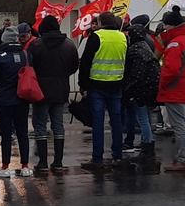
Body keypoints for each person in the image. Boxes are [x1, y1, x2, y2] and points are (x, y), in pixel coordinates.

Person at [27, 15, 79, 174]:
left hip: (40, 90)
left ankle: (42, 162)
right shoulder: (69, 45)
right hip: (61, 88)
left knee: (40, 125)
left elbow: (29, 66)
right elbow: (74, 66)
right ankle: (58, 161)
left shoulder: (35, 45)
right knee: (58, 125)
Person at [78, 12, 128, 169]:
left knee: (98, 123)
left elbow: (86, 62)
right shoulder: (122, 37)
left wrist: (83, 84)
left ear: (100, 23)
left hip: (97, 85)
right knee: (116, 122)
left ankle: (97, 159)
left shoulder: (96, 36)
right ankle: (117, 156)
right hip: (117, 84)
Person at [0, 29, 33, 178]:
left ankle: (5, 166)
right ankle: (25, 165)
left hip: (5, 99)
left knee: (6, 134)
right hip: (22, 98)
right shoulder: (25, 55)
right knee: (22, 133)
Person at [157, 10, 185, 173]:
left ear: (171, 25)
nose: (164, 28)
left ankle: (183, 159)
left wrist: (163, 83)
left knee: (179, 125)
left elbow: (171, 69)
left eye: (166, 25)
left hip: (174, 87)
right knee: (182, 123)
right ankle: (184, 158)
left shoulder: (175, 43)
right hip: (183, 85)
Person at [121, 18, 160, 160]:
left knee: (142, 118)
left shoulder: (134, 50)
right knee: (146, 117)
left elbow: (135, 74)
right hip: (150, 87)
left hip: (141, 90)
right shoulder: (146, 46)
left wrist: (128, 90)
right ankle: (147, 141)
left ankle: (147, 145)